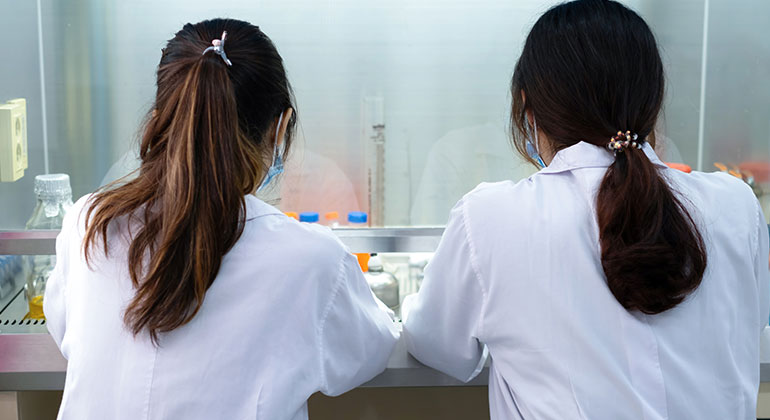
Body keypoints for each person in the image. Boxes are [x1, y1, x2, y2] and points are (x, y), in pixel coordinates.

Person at [403, 1, 769, 419]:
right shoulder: (736, 205)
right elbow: (752, 322)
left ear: (529, 109)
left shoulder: (491, 217)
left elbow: (437, 345)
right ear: (653, 101)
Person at [44, 19, 398, 420]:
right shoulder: (309, 259)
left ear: (160, 119)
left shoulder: (88, 224)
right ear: (280, 127)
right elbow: (371, 348)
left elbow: (65, 327)